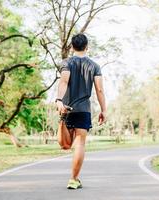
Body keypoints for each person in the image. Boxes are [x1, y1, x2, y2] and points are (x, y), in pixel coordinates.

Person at [55, 33, 106, 189]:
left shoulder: (66, 63)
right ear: (87, 47)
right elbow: (99, 90)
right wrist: (104, 110)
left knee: (65, 145)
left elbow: (64, 81)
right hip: (84, 110)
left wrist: (59, 100)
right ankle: (73, 179)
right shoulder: (94, 66)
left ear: (71, 46)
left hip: (67, 107)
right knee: (79, 145)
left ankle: (62, 119)